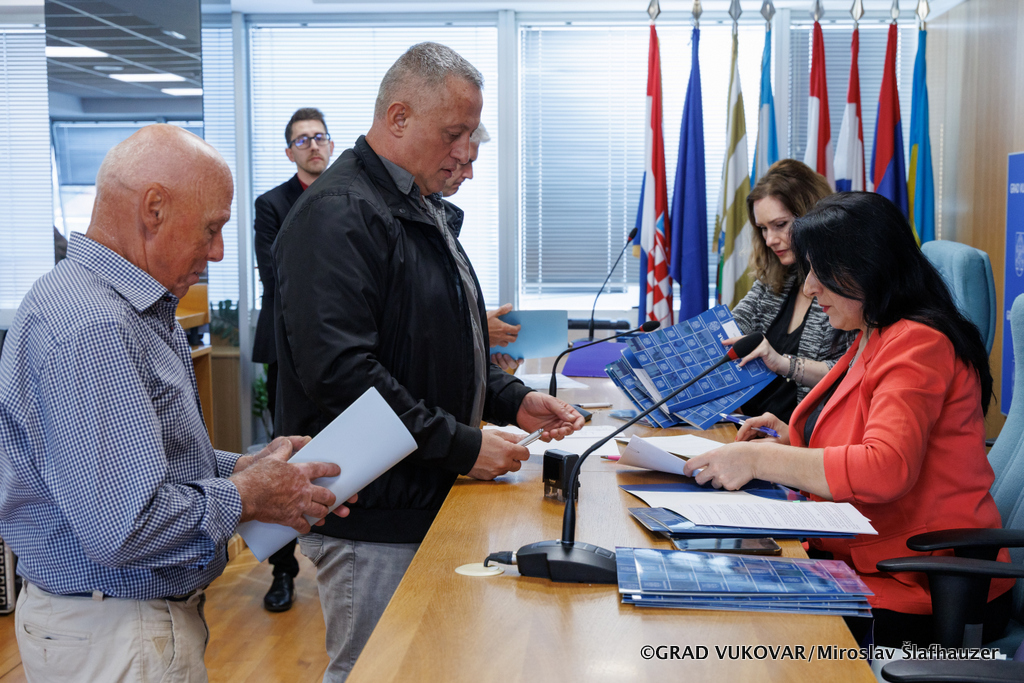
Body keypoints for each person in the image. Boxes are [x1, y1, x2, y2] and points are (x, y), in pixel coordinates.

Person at [273, 42, 583, 682]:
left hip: (420, 494)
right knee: (378, 671)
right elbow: (343, 377)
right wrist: (463, 445)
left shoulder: (415, 204)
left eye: (474, 135)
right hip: (373, 515)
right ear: (398, 117)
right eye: (454, 133)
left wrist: (510, 399)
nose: (468, 152)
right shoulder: (340, 212)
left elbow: (437, 344)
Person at [0, 124, 353, 682]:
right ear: (154, 209)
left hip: (117, 625)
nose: (217, 252)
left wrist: (242, 468)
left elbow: (148, 460)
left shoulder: (112, 302)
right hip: (117, 633)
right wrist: (247, 495)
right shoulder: (95, 327)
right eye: (211, 228)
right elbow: (125, 526)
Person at [684, 192, 1014, 648]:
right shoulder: (874, 330)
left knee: (739, 625)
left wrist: (759, 460)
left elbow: (884, 468)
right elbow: (863, 433)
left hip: (923, 582)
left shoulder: (919, 342)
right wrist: (792, 441)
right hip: (869, 557)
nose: (809, 287)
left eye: (820, 271)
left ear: (866, 267)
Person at [253, 107, 335, 613]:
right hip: (285, 346)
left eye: (319, 136)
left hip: (339, 346)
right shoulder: (272, 204)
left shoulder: (348, 200)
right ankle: (282, 569)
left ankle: (339, 560)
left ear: (331, 144)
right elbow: (276, 274)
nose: (313, 145)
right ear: (290, 152)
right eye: (302, 139)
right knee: (285, 451)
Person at [726, 159, 857, 422]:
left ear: (812, 217)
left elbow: (851, 373)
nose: (770, 240)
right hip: (743, 424)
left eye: (780, 225)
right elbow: (731, 328)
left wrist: (784, 363)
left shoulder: (849, 286)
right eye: (763, 229)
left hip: (797, 435)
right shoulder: (777, 275)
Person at [439, 123, 522, 373]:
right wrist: (479, 331)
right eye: (464, 162)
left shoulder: (438, 218)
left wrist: (485, 359)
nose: (469, 174)